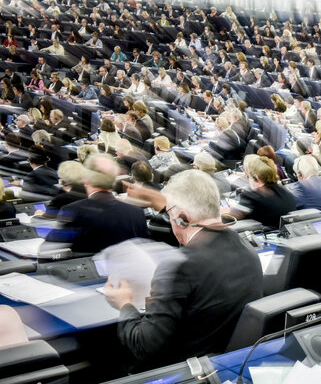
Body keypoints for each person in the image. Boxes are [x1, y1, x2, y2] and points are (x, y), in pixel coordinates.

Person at [104, 170, 263, 371]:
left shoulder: (179, 266)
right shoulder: (247, 248)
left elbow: (145, 346)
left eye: (170, 214)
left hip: (187, 374)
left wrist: (124, 304)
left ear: (182, 218)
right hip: (230, 362)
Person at [45, 154, 149, 253]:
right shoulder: (137, 213)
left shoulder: (72, 212)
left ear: (86, 178)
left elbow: (49, 249)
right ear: (114, 179)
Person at [227, 154, 296, 228]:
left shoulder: (252, 196)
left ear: (256, 177)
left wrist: (226, 211)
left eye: (248, 176)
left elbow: (232, 218)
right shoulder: (288, 193)